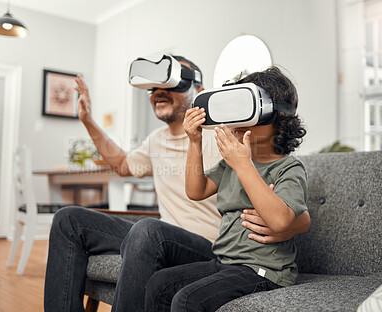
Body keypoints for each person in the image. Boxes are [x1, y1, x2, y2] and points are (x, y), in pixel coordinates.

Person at [43, 56, 310, 312]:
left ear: (199, 91)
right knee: (69, 220)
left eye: (173, 85)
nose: (160, 92)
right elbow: (123, 166)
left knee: (147, 231)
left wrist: (288, 225)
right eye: (154, 88)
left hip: (206, 245)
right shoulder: (156, 140)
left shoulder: (227, 136)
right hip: (157, 238)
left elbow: (294, 209)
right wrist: (88, 121)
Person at [143, 66, 308, 312]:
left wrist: (243, 164)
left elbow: (281, 222)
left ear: (277, 116)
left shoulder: (288, 168)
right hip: (224, 262)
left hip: (263, 271)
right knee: (159, 284)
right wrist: (195, 141)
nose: (237, 122)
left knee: (188, 300)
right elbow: (196, 190)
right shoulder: (229, 165)